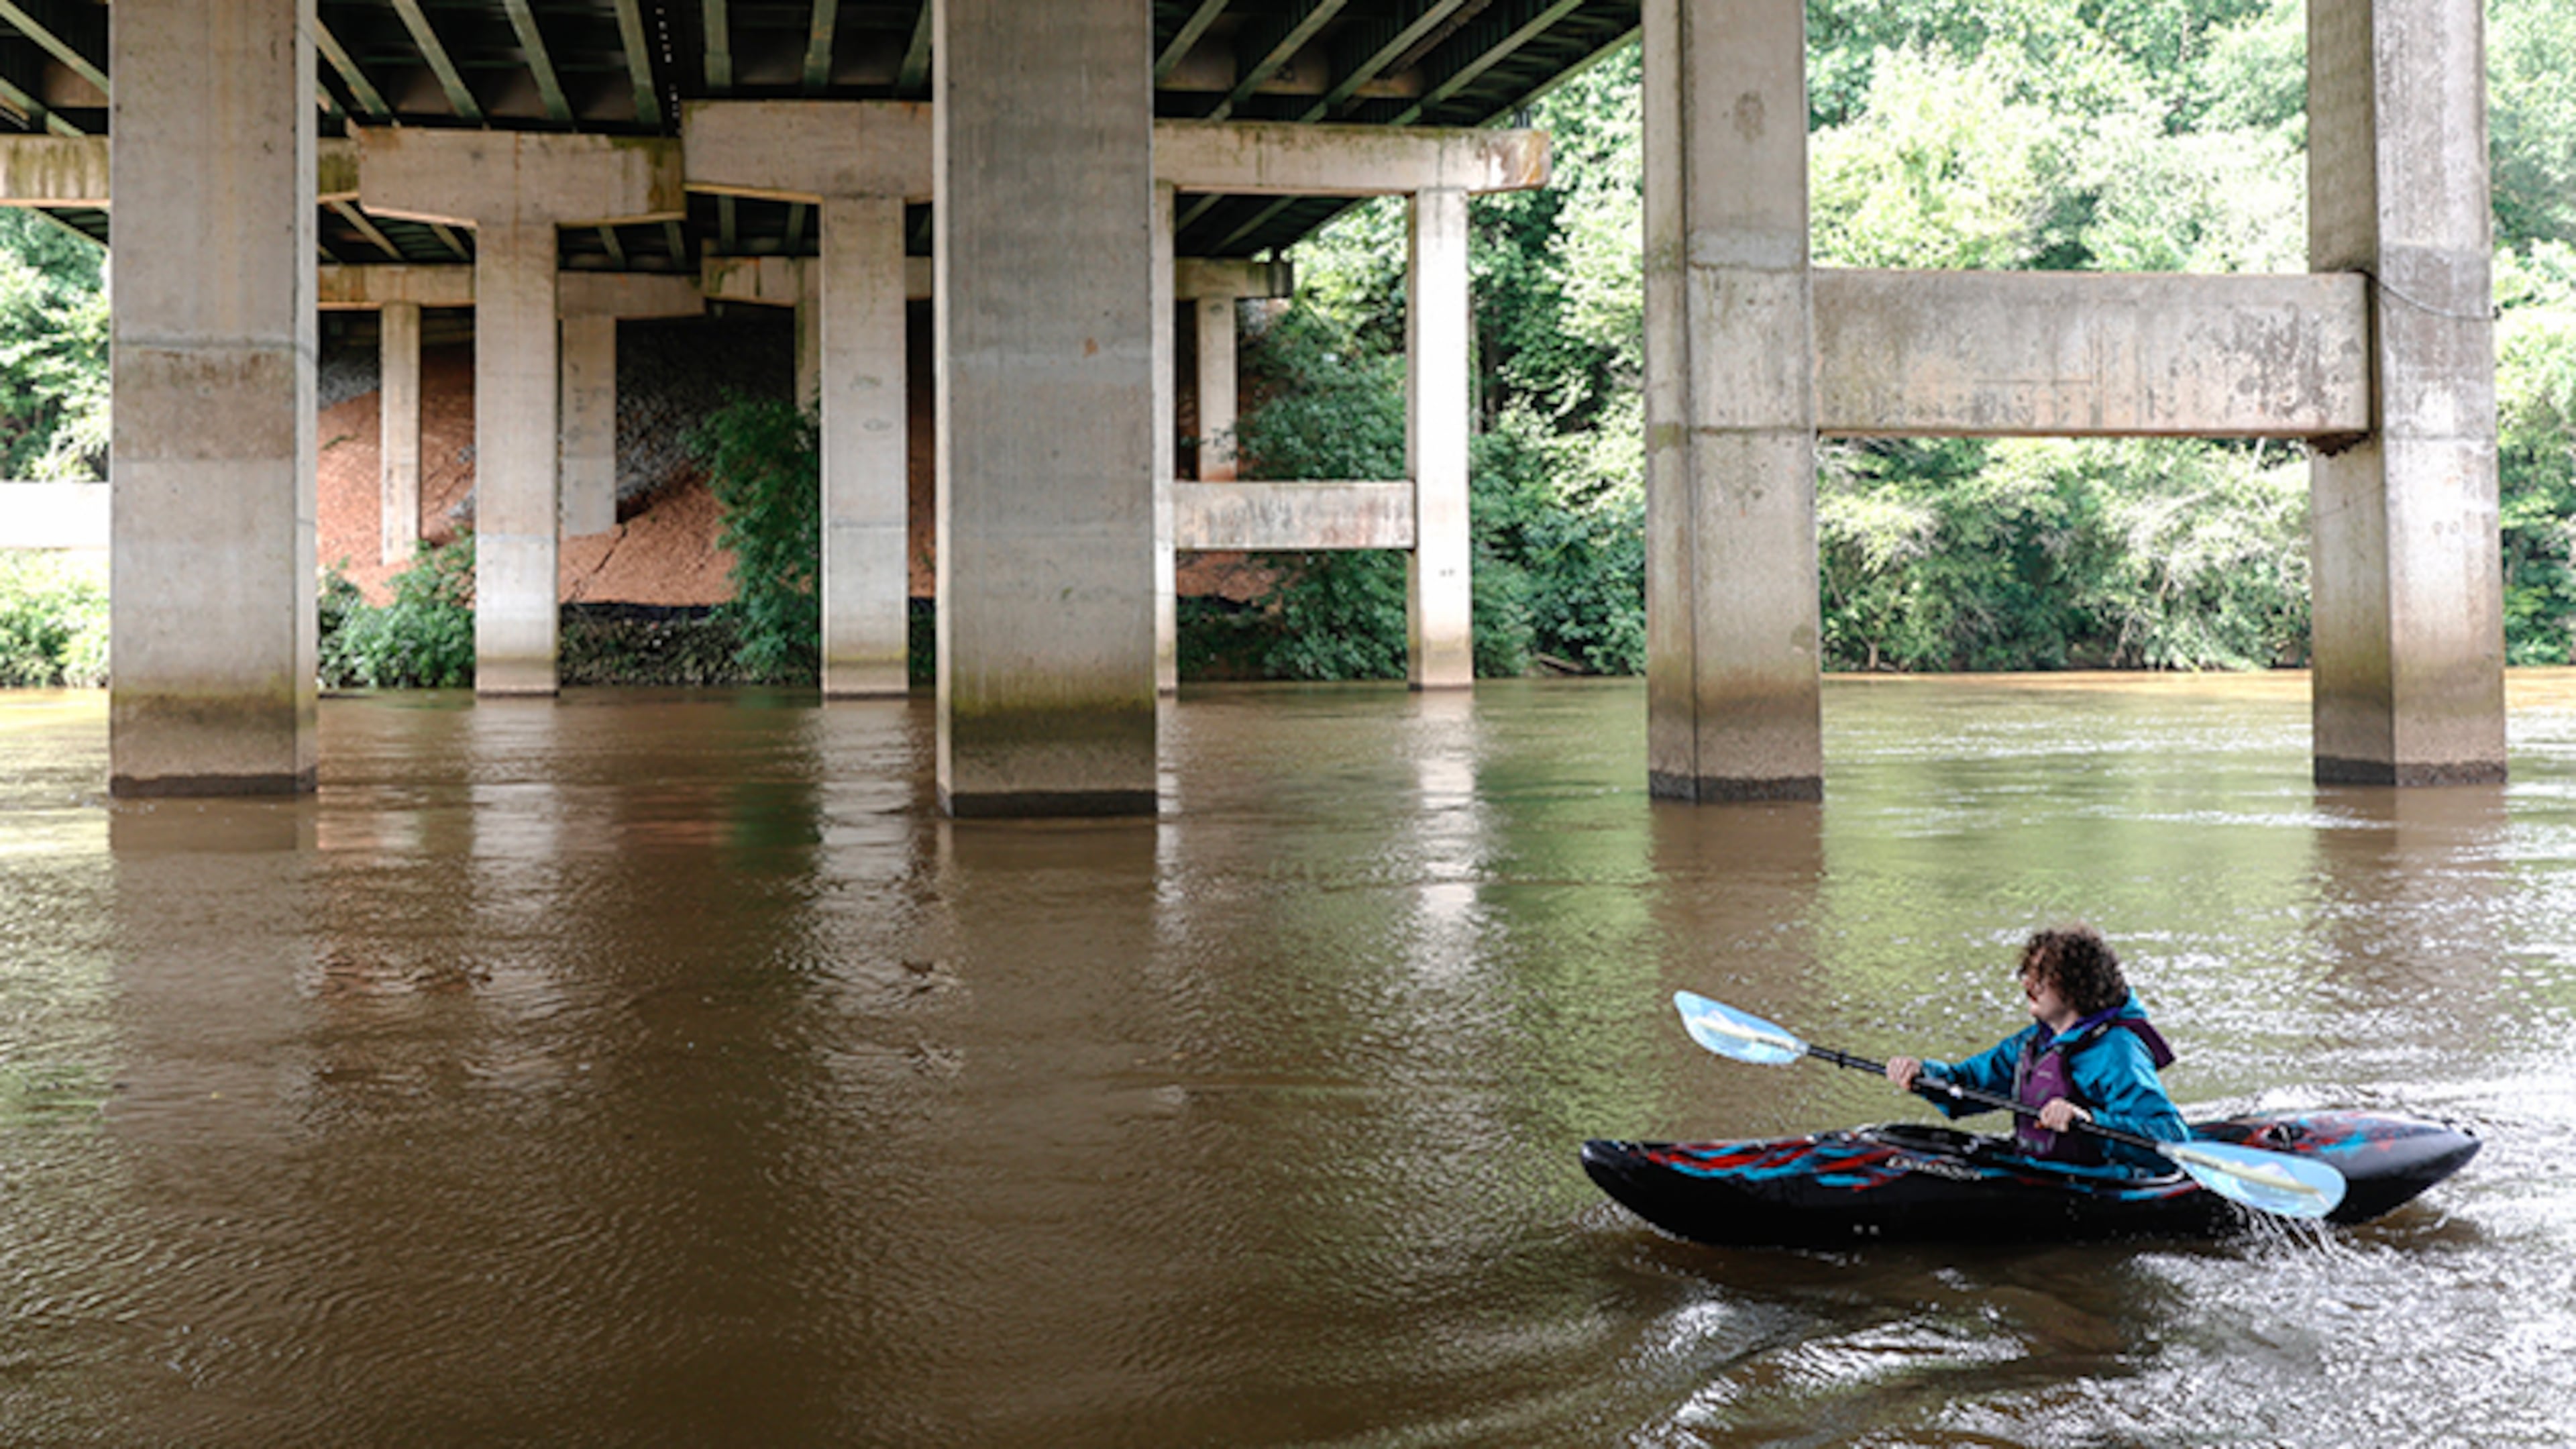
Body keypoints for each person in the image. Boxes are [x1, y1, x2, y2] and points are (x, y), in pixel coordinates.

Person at [1884, 924, 2189, 1171]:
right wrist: (1922, 1075)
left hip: (2098, 1181)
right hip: (2039, 1168)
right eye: (2027, 973)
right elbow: (1966, 1085)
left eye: (2041, 977)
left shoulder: (2117, 1052)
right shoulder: (2033, 1043)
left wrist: (2090, 1121)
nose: (2027, 984)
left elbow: (2170, 1138)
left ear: (2076, 985)